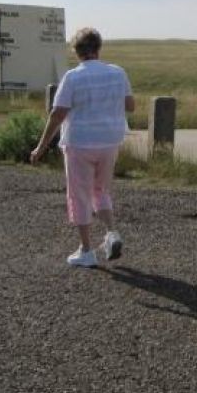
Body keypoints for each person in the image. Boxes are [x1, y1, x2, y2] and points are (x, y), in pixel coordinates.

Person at [30, 27, 134, 268]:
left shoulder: (73, 77)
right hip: (110, 141)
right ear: (98, 48)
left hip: (80, 142)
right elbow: (130, 105)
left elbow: (57, 114)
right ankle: (111, 232)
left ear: (76, 52)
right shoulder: (118, 73)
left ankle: (86, 250)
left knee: (79, 195)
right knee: (101, 190)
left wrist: (41, 147)